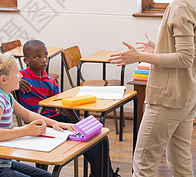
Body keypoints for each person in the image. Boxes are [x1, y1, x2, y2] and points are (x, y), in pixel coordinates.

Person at [108, 0, 196, 177]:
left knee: (144, 161)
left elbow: (185, 58)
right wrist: (158, 48)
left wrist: (140, 56)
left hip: (170, 97)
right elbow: (188, 50)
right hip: (190, 92)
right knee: (180, 157)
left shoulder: (181, 5)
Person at [17, 39, 120, 177]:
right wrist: (17, 79)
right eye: (38, 57)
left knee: (98, 137)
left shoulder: (51, 81)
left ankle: (103, 174)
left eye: (46, 55)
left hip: (56, 121)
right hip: (39, 123)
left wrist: (79, 124)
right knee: (89, 140)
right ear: (26, 61)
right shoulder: (21, 76)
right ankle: (106, 175)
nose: (44, 60)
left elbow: (61, 104)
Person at [0, 53, 75, 177]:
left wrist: (54, 123)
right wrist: (26, 131)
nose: (20, 76)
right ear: (3, 79)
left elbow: (27, 114)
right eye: (17, 73)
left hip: (2, 162)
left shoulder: (6, 95)